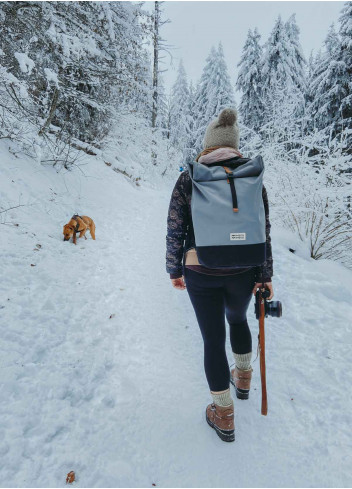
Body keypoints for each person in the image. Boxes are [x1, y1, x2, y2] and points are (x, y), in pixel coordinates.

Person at [165, 108, 274, 443]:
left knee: (213, 339)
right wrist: (265, 274)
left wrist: (174, 268)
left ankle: (223, 414)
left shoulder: (190, 176)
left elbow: (175, 228)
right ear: (235, 145)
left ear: (208, 144)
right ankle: (243, 379)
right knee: (238, 320)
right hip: (243, 267)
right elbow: (263, 230)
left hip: (201, 267)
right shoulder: (252, 177)